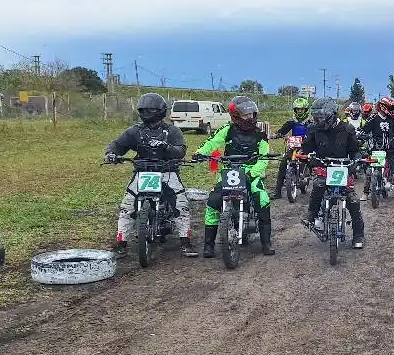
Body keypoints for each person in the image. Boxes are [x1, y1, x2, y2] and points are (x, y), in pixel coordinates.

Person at [104, 92, 197, 258]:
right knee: (127, 206)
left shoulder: (172, 131)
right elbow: (118, 144)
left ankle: (186, 241)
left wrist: (167, 147)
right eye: (144, 110)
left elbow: (181, 151)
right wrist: (111, 153)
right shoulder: (134, 131)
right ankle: (121, 243)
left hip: (167, 171)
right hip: (143, 171)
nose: (147, 113)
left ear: (161, 111)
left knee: (181, 204)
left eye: (151, 110)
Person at [194, 96, 275, 257]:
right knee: (213, 202)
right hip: (229, 171)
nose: (249, 118)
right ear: (236, 116)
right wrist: (200, 153)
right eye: (245, 115)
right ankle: (208, 245)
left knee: (263, 200)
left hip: (251, 172)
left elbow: (264, 158)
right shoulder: (227, 130)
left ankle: (266, 243)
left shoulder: (260, 134)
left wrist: (252, 172)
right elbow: (212, 142)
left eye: (251, 114)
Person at [302, 98, 365, 248]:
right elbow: (306, 149)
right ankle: (311, 214)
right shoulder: (314, 129)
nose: (317, 121)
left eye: (320, 118)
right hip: (323, 168)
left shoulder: (347, 129)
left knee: (352, 201)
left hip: (343, 169)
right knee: (318, 184)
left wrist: (356, 160)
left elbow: (355, 151)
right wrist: (307, 156)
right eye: (315, 118)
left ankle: (358, 235)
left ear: (331, 116)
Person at [360, 97, 394, 201]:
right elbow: (364, 130)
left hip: (391, 149)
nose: (391, 110)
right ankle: (365, 193)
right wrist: (362, 136)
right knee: (369, 171)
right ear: (382, 107)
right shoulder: (373, 118)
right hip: (376, 149)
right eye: (390, 107)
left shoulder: (392, 119)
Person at [269, 97, 311, 199]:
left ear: (306, 110)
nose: (299, 111)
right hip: (294, 146)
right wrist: (276, 135)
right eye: (297, 109)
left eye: (301, 109)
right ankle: (277, 193)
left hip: (306, 146)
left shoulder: (310, 122)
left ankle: (317, 190)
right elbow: (283, 130)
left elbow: (314, 132)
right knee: (283, 165)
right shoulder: (292, 121)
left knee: (313, 163)